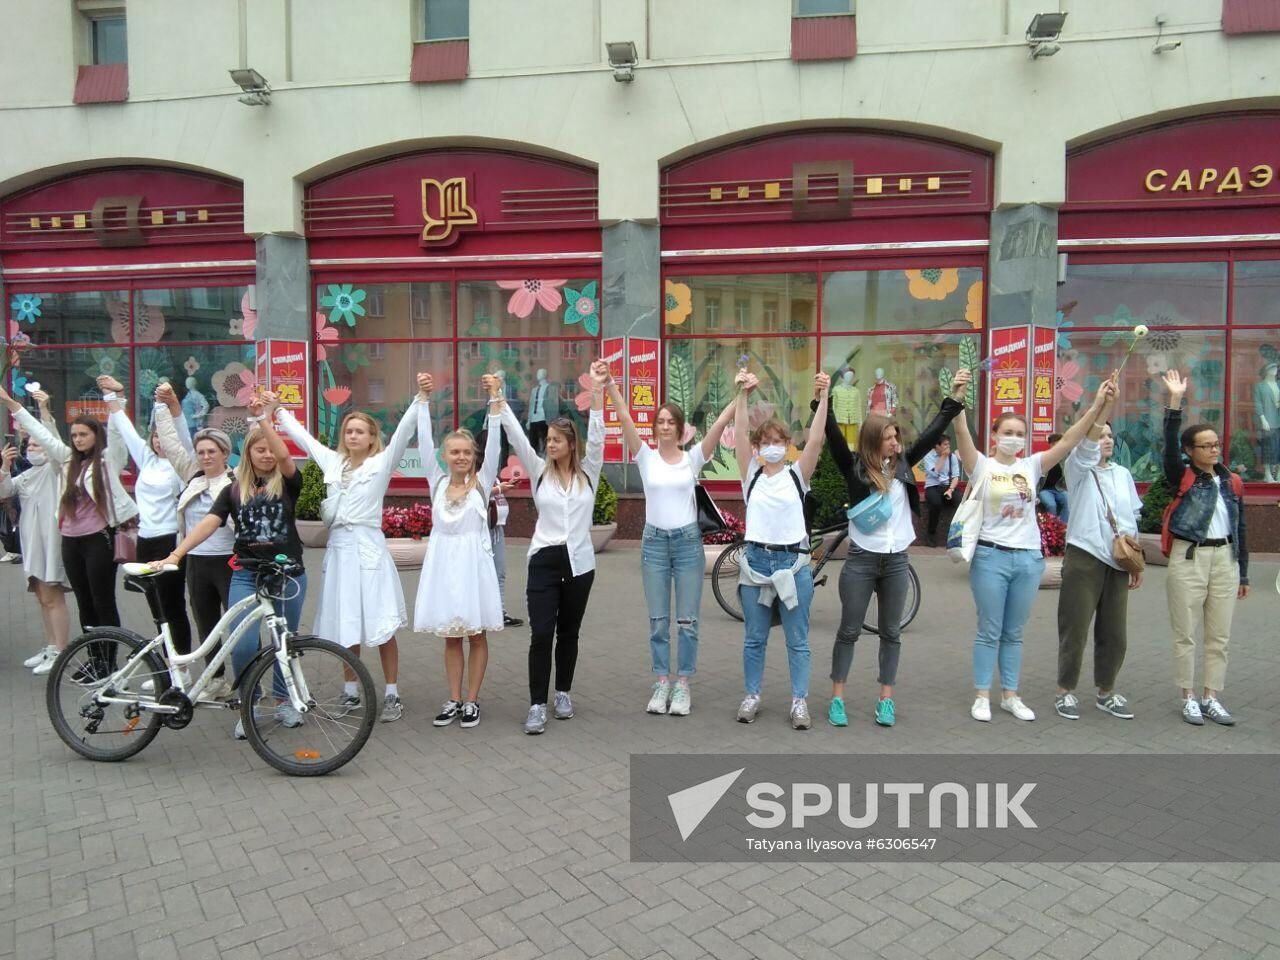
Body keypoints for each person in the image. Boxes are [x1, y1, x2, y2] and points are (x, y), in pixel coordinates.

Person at [952, 378, 1115, 723]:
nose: (1013, 438)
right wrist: (958, 400)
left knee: (1014, 632)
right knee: (989, 629)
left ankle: (1010, 694)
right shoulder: (983, 466)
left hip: (1028, 560)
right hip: (990, 556)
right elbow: (963, 436)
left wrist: (1097, 404)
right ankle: (982, 694)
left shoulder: (1032, 466)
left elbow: (1070, 440)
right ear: (995, 435)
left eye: (1019, 433)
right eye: (1006, 431)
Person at [821, 367, 971, 728]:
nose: (895, 442)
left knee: (891, 632)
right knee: (849, 631)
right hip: (860, 561)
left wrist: (955, 397)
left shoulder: (904, 464)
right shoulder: (855, 469)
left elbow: (933, 430)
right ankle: (837, 698)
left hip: (897, 562)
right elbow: (832, 437)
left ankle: (885, 699)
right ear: (874, 440)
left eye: (896, 436)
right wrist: (823, 399)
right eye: (888, 437)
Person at [156, 393, 308, 739]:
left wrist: (263, 421)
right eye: (259, 450)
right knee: (242, 644)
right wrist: (176, 554)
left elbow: (284, 455)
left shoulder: (287, 483)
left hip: (289, 574)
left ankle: (285, 701)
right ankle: (250, 703)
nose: (267, 455)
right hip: (246, 574)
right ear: (248, 455)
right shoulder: (233, 489)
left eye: (269, 449)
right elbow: (209, 523)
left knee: (285, 641)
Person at [276, 386, 427, 724]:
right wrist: (279, 412)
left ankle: (391, 693)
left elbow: (403, 433)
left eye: (360, 431)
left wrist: (418, 399)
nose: (353, 435)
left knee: (381, 624)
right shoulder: (333, 462)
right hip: (340, 551)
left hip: (369, 549)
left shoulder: (380, 464)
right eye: (349, 431)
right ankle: (350, 691)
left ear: (373, 438)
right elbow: (303, 439)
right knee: (345, 624)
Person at [602, 365, 735, 717]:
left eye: (670, 422)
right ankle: (662, 681)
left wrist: (741, 394)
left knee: (688, 620)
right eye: (659, 421)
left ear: (680, 429)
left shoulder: (692, 459)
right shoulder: (645, 458)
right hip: (655, 544)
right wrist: (612, 385)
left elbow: (719, 426)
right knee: (659, 620)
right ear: (655, 427)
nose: (664, 426)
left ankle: (683, 685)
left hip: (688, 544)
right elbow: (625, 419)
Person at [499, 363, 606, 735]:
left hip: (579, 564)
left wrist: (598, 391)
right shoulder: (539, 471)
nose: (550, 444)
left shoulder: (588, 473)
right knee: (541, 633)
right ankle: (535, 704)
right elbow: (515, 435)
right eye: (548, 440)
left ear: (570, 443)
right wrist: (498, 398)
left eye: (558, 440)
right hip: (543, 561)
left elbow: (597, 438)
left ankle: (562, 693)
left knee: (569, 633)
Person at [733, 367, 830, 730]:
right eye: (766, 442)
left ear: (787, 445)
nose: (772, 446)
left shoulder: (796, 475)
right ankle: (752, 695)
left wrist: (823, 399)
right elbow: (740, 433)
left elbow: (817, 440)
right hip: (756, 564)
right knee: (754, 639)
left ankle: (799, 701)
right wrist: (742, 394)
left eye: (780, 441)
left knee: (798, 640)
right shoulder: (751, 476)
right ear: (758, 448)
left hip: (793, 564)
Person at [415, 373, 504, 729]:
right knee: (451, 637)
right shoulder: (435, 482)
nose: (462, 456)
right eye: (455, 452)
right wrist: (423, 400)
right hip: (443, 569)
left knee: (476, 634)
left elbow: (495, 443)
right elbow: (422, 442)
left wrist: (495, 400)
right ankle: (452, 698)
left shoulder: (482, 485)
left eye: (467, 452)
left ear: (475, 457)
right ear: (445, 456)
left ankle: (472, 700)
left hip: (473, 568)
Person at [1160, 369, 1249, 726]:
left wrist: (1243, 572)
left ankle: (1212, 696)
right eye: (1207, 445)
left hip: (1224, 560)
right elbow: (1168, 441)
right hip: (1189, 557)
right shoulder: (1181, 475)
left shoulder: (1232, 481)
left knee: (1220, 635)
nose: (1214, 449)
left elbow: (1240, 527)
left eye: (1216, 444)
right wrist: (1175, 402)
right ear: (1190, 451)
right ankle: (1188, 697)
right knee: (1186, 634)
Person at [1055, 390, 1143, 721]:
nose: (1105, 440)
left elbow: (1131, 519)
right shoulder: (1078, 468)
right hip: (1084, 556)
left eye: (1109, 436)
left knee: (1114, 633)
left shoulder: (1122, 474)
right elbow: (1087, 445)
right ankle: (1065, 691)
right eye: (1100, 434)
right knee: (1074, 628)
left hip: (1118, 562)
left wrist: (1136, 562)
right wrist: (1103, 405)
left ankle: (1107, 691)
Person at [99, 375, 195, 668]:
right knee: (156, 608)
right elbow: (126, 431)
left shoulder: (183, 463)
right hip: (146, 540)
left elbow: (181, 432)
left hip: (171, 541)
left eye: (162, 437)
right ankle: (167, 666)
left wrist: (164, 404)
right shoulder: (146, 460)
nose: (158, 441)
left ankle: (181, 666)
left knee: (173, 605)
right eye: (154, 436)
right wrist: (112, 397)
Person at [152, 383, 236, 695]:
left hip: (229, 562)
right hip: (197, 562)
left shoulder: (236, 482)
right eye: (201, 452)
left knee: (240, 627)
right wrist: (164, 406)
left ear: (225, 454)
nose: (205, 456)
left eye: (211, 452)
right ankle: (215, 679)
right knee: (207, 624)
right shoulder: (192, 475)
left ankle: (250, 680)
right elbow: (175, 442)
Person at [57, 387, 137, 679]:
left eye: (84, 435)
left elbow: (117, 435)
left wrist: (114, 398)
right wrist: (16, 407)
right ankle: (95, 658)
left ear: (95, 436)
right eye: (75, 435)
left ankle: (110, 661)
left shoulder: (107, 460)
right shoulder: (69, 462)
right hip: (71, 541)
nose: (78, 440)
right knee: (83, 601)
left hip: (98, 540)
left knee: (102, 600)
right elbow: (42, 436)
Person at [0, 387, 72, 675]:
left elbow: (51, 439)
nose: (32, 448)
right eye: (28, 446)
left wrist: (43, 411)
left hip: (51, 541)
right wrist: (4, 466)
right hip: (31, 543)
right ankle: (51, 645)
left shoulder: (57, 470)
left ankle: (62, 650)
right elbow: (3, 491)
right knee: (42, 596)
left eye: (37, 445)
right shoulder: (26, 475)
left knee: (53, 595)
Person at [922, 436, 961, 547]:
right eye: (945, 444)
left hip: (948, 486)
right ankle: (931, 533)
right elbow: (934, 473)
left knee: (959, 501)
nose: (947, 447)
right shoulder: (929, 456)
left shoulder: (952, 457)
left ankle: (957, 534)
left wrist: (951, 489)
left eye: (948, 444)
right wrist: (943, 457)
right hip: (933, 486)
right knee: (935, 503)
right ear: (937, 446)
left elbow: (956, 476)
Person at [1037, 433, 1069, 521]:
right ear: (1051, 445)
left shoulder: (1063, 459)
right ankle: (1052, 526)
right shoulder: (1043, 458)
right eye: (1057, 444)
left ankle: (1063, 526)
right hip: (1044, 489)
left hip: (1059, 488)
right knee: (1051, 505)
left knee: (1068, 502)